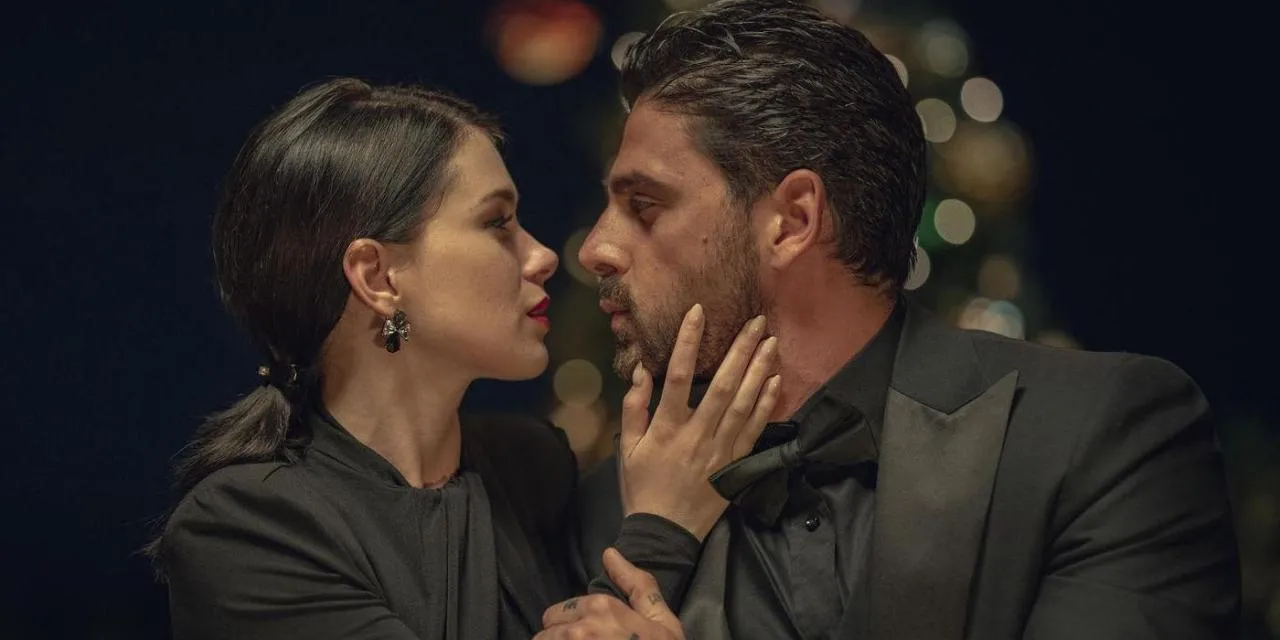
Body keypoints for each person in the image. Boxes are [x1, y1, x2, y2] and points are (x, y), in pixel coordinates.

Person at [551, 1, 1243, 638]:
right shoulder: (612, 516)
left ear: (793, 220)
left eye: (644, 205)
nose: (594, 249)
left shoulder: (1096, 434)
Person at [144, 77, 783, 639]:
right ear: (377, 276)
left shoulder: (532, 469)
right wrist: (660, 530)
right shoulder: (244, 527)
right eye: (497, 223)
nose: (544, 257)